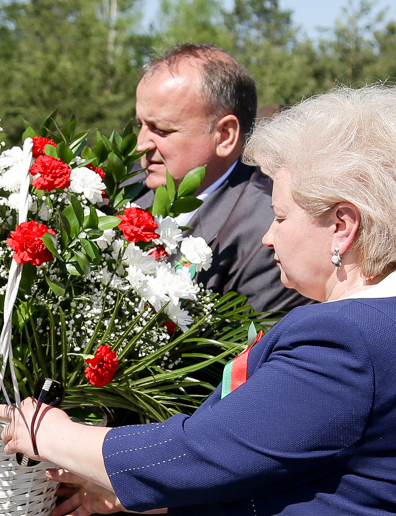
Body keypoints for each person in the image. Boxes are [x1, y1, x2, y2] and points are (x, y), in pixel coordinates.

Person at [0, 85, 396, 516]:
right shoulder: (394, 313)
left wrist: (49, 431)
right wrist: (128, 489)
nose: (268, 236)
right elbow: (282, 457)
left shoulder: (350, 340)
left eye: (282, 216)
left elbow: (202, 450)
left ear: (344, 225)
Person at [132, 43, 310, 314]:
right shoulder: (125, 191)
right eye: (141, 125)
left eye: (162, 130)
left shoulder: (270, 233)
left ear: (225, 135)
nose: (141, 145)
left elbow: (254, 349)